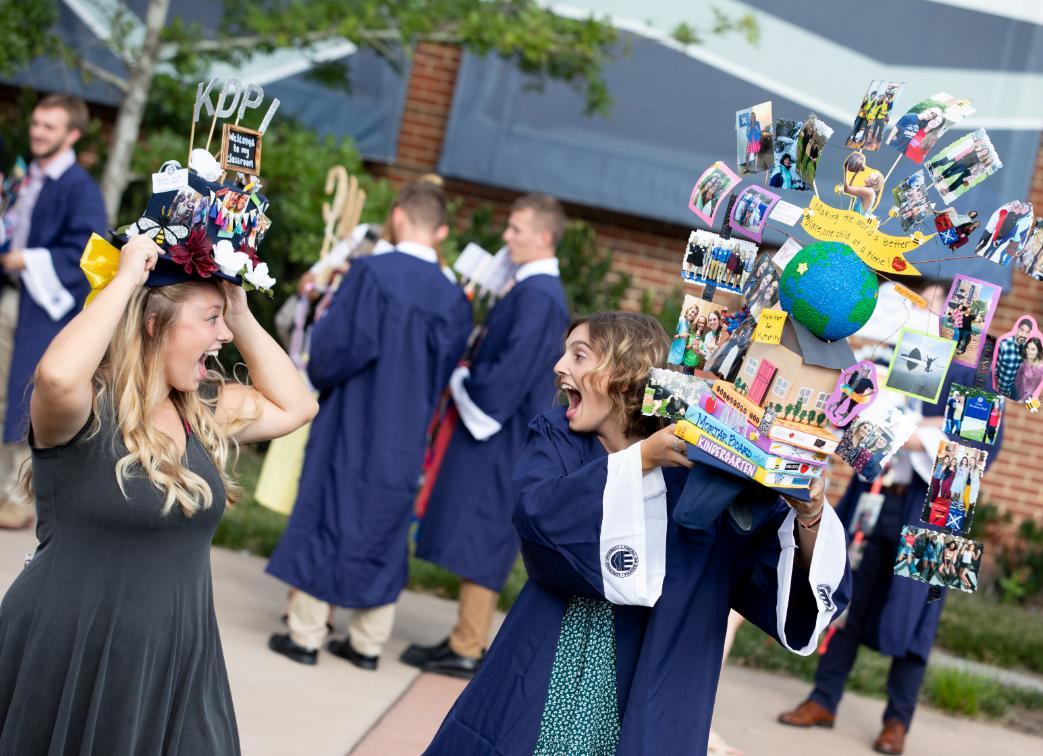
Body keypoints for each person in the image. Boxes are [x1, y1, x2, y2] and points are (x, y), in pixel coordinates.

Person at [425, 311, 850, 754]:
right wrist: (642, 459)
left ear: (625, 376)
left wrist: (811, 514)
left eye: (579, 354)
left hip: (654, 674)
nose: (559, 366)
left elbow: (765, 570)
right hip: (552, 661)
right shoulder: (558, 438)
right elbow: (538, 518)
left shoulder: (702, 471)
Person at [0, 229, 317, 753]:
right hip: (72, 647)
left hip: (176, 657)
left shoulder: (202, 409)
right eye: (209, 321)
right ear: (153, 324)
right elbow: (55, 377)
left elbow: (297, 406)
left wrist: (237, 313)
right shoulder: (81, 412)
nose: (221, 338)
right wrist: (126, 279)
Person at [265, 181, 472, 669]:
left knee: (330, 510)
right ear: (439, 231)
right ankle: (367, 644)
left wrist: (317, 371)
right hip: (408, 428)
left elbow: (335, 352)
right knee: (386, 522)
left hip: (354, 417)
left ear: (398, 216)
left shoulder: (370, 274)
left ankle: (307, 634)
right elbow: (444, 371)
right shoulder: (454, 298)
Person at [778, 356, 1003, 755]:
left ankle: (898, 721)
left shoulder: (974, 374)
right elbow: (859, 426)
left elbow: (981, 445)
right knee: (845, 601)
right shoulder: (902, 356)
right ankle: (823, 699)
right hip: (874, 499)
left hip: (939, 512)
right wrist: (928, 430)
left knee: (920, 617)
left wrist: (909, 431)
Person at [406, 195, 570, 678]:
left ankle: (469, 643)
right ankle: (464, 636)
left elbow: (512, 369)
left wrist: (465, 382)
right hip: (502, 428)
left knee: (482, 531)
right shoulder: (532, 290)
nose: (506, 236)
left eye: (516, 228)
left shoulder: (540, 295)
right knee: (474, 527)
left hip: (503, 431)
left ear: (543, 237)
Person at [0, 94, 106, 529]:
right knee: (3, 395)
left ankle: (20, 496)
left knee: (28, 399)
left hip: (44, 305)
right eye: (37, 123)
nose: (38, 131)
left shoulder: (79, 187)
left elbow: (88, 251)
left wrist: (26, 259)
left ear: (72, 134)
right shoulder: (28, 176)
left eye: (49, 126)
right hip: (11, 297)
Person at [994, 319, 1032, 400]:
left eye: (1027, 332)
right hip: (1001, 390)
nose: (1024, 335)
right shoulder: (1004, 345)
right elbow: (995, 369)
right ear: (1017, 329)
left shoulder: (1027, 347)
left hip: (1015, 390)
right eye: (1022, 330)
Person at [1014, 337, 1043, 402]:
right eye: (1028, 348)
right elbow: (1019, 375)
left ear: (1038, 351)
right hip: (1017, 392)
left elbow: (1033, 388)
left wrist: (1022, 399)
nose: (1028, 351)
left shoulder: (1039, 368)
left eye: (1033, 349)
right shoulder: (1026, 360)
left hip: (1026, 399)